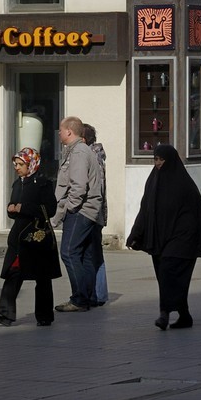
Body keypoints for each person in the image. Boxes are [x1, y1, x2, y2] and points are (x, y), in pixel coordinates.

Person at [127, 143, 201, 328]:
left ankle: (164, 314)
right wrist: (136, 234)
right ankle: (184, 315)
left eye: (161, 159)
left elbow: (195, 214)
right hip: (159, 239)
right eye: (155, 159)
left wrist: (188, 237)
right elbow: (145, 209)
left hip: (182, 239)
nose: (158, 163)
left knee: (168, 271)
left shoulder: (184, 184)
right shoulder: (153, 181)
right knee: (165, 276)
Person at [0, 147, 61, 326]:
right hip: (19, 238)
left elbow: (50, 209)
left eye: (21, 164)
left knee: (42, 278)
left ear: (31, 164)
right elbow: (14, 205)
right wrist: (11, 209)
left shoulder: (42, 183)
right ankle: (5, 314)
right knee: (13, 273)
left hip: (36, 238)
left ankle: (44, 317)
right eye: (15, 164)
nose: (17, 167)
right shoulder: (17, 183)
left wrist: (24, 208)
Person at [50, 115, 104, 312]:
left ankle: (79, 299)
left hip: (81, 210)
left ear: (69, 132)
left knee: (69, 252)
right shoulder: (80, 150)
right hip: (88, 210)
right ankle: (87, 297)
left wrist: (68, 209)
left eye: (61, 130)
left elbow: (78, 187)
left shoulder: (79, 152)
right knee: (85, 256)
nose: (59, 133)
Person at [83, 123, 108, 303]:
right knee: (95, 253)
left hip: (92, 214)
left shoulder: (91, 158)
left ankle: (95, 294)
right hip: (96, 213)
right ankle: (98, 293)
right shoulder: (95, 156)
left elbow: (95, 189)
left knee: (92, 254)